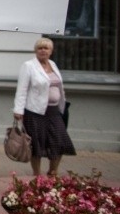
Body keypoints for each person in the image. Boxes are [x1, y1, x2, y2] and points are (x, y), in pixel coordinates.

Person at [13, 37, 76, 176]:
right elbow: (22, 89)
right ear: (35, 51)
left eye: (46, 48)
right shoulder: (29, 66)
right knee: (36, 144)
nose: (43, 51)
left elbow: (59, 86)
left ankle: (53, 171)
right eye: (40, 48)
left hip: (54, 111)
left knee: (59, 141)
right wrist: (18, 109)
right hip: (35, 111)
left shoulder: (53, 64)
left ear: (51, 51)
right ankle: (37, 174)